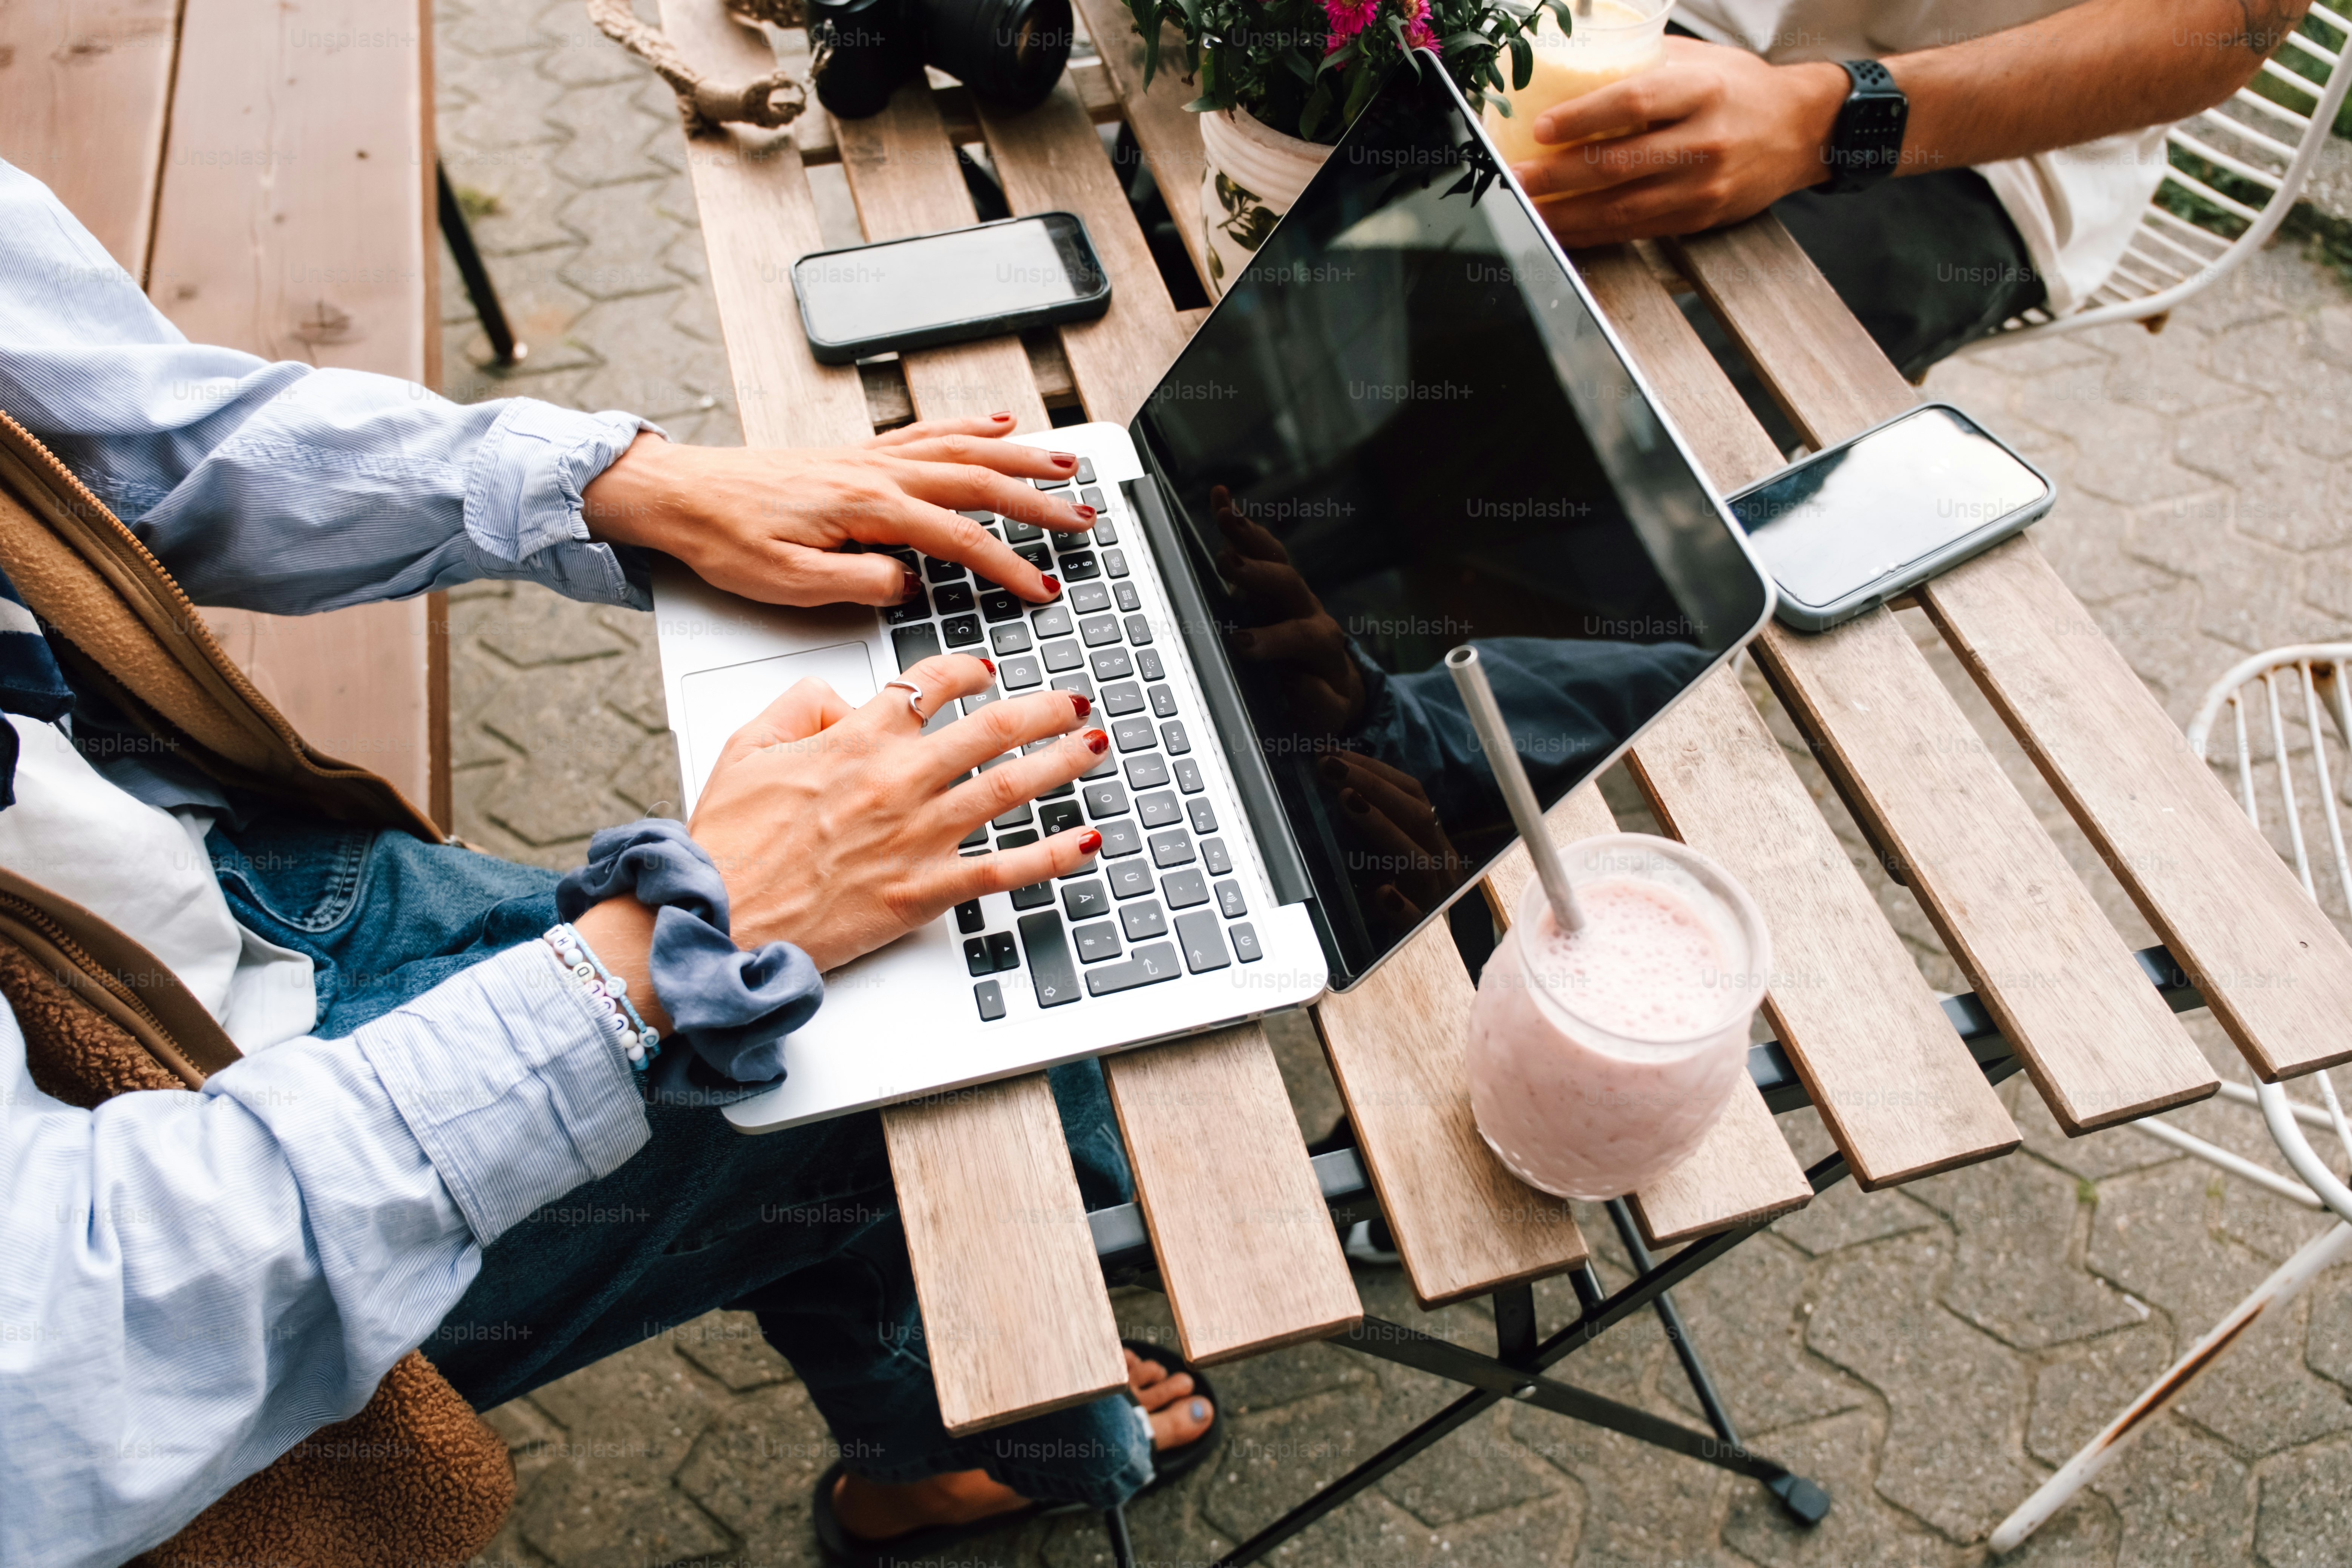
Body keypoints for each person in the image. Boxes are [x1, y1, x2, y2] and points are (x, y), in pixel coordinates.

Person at [0, 157, 1215, 1568]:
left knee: (902, 985)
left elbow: (115, 437)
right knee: (911, 1049)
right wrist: (663, 957)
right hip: (175, 1151)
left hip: (206, 873)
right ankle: (965, 1460)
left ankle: (961, 1347)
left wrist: (630, 487)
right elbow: (60, 1357)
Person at [1508, 0, 2315, 386]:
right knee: (1435, 240)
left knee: (1635, 407)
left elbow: (2221, 27)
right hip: (1678, 20)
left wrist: (1824, 122)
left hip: (1978, 145)